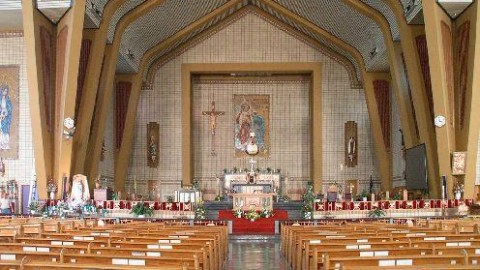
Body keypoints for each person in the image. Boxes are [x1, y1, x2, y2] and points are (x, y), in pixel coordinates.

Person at [0, 84, 12, 150]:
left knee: (6, 130)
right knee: (1, 130)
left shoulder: (8, 99)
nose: (5, 92)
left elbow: (10, 107)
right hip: (1, 117)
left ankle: (6, 145)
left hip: (6, 117)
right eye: (4, 91)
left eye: (6, 91)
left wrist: (7, 112)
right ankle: (1, 145)